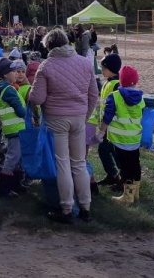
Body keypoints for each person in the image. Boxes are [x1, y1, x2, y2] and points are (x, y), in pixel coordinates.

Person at [28, 28, 97, 224]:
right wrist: (85, 115)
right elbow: (93, 95)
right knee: (79, 163)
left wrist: (30, 94)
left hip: (56, 119)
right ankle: (86, 207)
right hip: (78, 117)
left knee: (63, 163)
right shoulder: (85, 63)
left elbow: (38, 98)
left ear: (48, 45)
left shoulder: (46, 66)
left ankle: (66, 208)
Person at [97, 66, 144, 205]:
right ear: (136, 81)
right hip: (135, 138)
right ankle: (136, 193)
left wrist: (101, 132)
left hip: (120, 139)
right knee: (135, 164)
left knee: (125, 167)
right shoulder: (140, 97)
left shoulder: (115, 96)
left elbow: (107, 117)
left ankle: (127, 196)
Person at [0, 59, 28, 199]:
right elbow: (20, 110)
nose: (16, 74)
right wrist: (25, 112)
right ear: (6, 74)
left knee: (16, 156)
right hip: (15, 128)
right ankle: (4, 189)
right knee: (12, 157)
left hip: (13, 127)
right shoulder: (9, 90)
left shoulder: (4, 87)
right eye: (13, 71)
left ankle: (15, 184)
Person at [89, 54, 122, 194]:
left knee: (116, 153)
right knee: (103, 150)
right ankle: (112, 175)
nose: (101, 71)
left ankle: (123, 179)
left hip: (114, 126)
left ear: (112, 68)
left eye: (104, 68)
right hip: (105, 125)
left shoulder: (117, 85)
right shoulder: (108, 82)